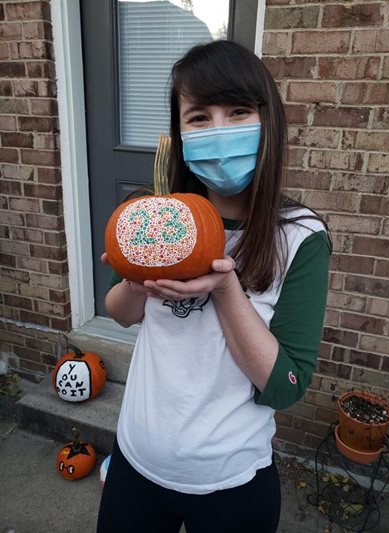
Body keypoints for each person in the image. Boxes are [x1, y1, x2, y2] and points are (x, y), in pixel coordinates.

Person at [97, 40, 331, 533]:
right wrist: (137, 283)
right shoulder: (156, 215)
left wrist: (226, 291)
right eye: (199, 117)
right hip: (136, 461)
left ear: (268, 123)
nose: (218, 130)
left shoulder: (301, 237)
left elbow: (286, 387)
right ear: (180, 132)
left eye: (239, 111)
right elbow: (119, 311)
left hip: (231, 481)